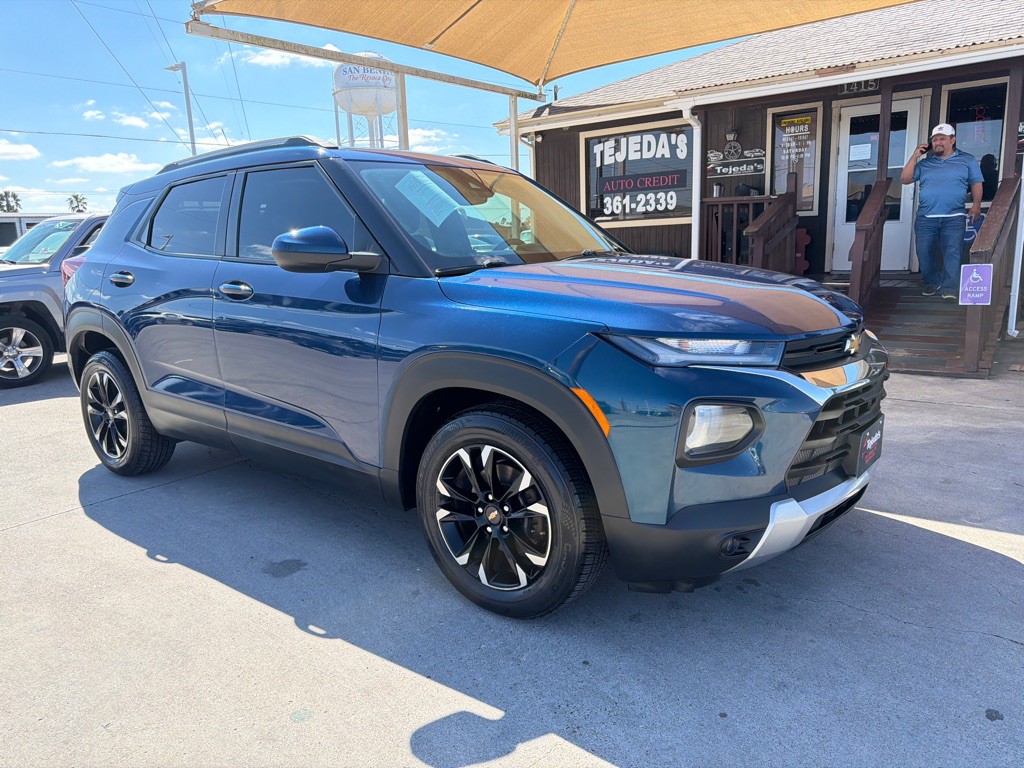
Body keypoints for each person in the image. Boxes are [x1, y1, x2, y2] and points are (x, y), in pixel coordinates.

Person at [900, 123, 983, 300]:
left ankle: (950, 287)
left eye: (942, 139)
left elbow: (976, 183)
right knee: (923, 252)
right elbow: (905, 179)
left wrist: (976, 205)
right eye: (935, 139)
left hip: (954, 216)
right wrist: (915, 156)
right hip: (926, 217)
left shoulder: (967, 160)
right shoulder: (925, 163)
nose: (938, 142)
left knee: (952, 251)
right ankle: (933, 282)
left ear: (952, 140)